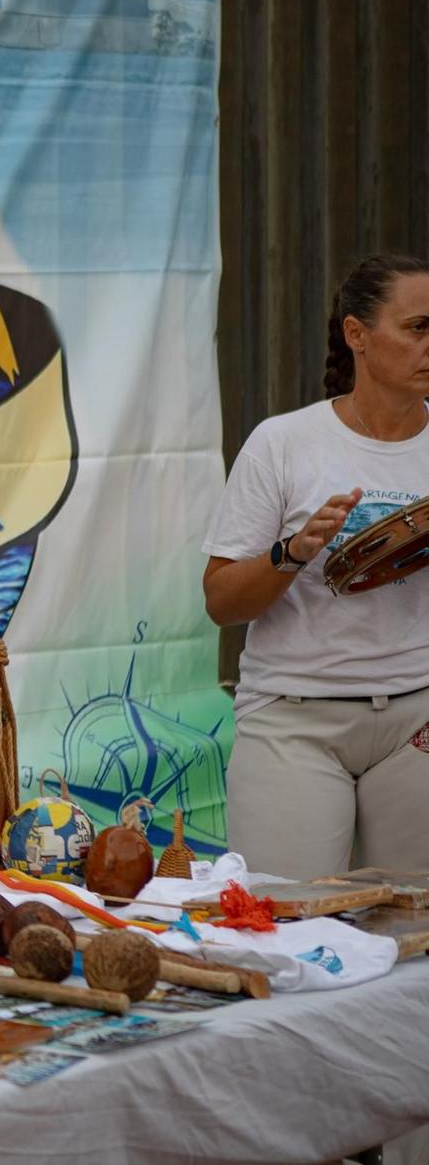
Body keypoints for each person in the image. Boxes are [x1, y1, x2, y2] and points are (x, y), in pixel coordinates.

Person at [204, 253, 429, 880]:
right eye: (418, 327)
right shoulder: (284, 442)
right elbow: (221, 602)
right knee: (291, 925)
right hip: (294, 716)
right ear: (357, 334)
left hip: (419, 713)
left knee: (416, 936)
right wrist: (292, 553)